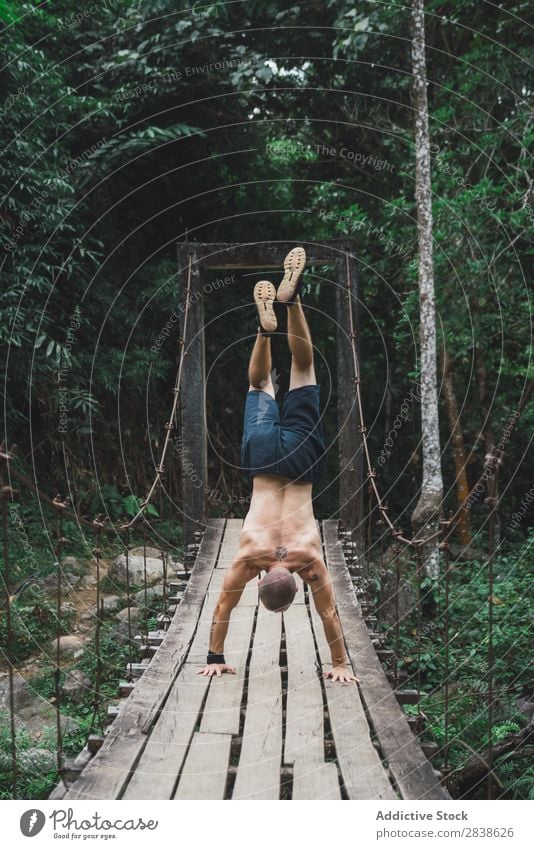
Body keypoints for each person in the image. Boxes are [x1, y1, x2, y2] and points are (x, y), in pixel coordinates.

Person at [197, 247, 358, 685]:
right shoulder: (251, 556)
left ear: (292, 583)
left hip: (303, 461)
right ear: (264, 579)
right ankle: (264, 332)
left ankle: (294, 302)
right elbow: (222, 609)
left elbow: (327, 612)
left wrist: (340, 663)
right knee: (260, 383)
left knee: (305, 367)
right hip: (265, 459)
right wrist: (214, 656)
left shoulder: (309, 560)